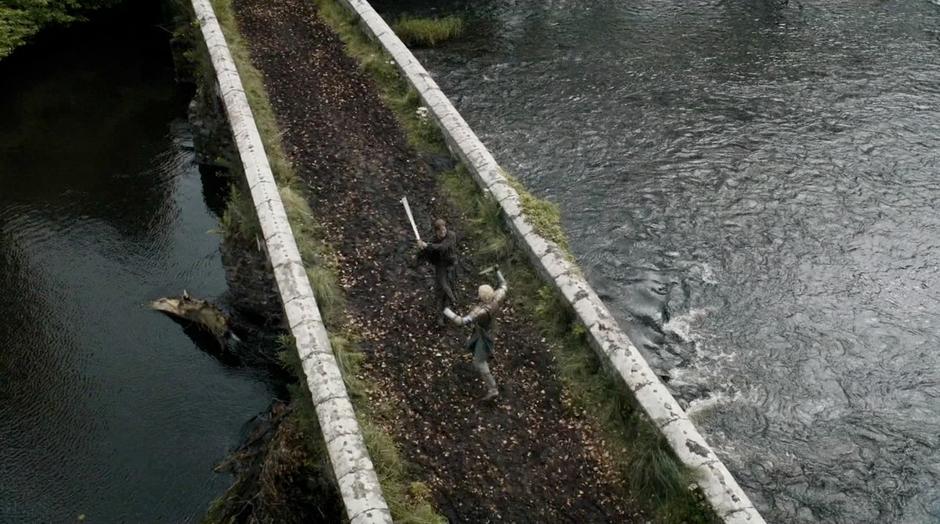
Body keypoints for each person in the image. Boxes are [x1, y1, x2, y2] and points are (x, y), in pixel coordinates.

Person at [443, 269, 508, 401]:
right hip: (490, 328)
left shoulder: (480, 312)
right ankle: (487, 353)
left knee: (479, 362)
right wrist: (497, 271)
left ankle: (493, 388)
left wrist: (447, 311)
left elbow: (461, 321)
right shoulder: (498, 297)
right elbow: (504, 284)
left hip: (484, 335)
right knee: (475, 345)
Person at [418, 218, 458, 323]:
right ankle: (441, 315)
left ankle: (451, 307)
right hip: (440, 266)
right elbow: (426, 255)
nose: (443, 232)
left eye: (444, 229)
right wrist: (422, 247)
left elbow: (443, 247)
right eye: (441, 231)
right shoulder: (433, 240)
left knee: (449, 286)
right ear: (436, 231)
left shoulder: (451, 235)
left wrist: (428, 245)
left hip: (451, 265)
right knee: (441, 288)